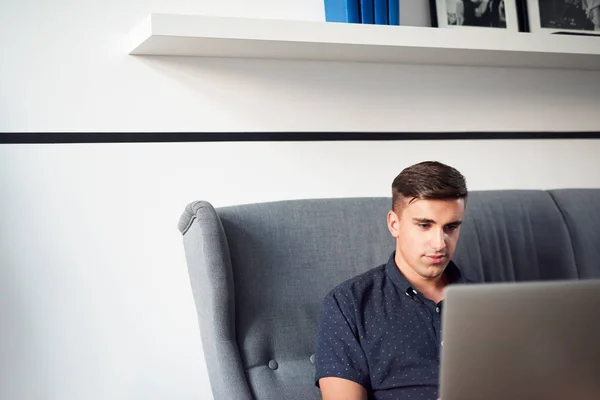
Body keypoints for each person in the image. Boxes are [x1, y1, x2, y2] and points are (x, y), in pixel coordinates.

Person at [314, 161, 473, 400]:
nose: (440, 243)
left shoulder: (488, 303)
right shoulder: (348, 304)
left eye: (450, 227)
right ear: (394, 224)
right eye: (424, 225)